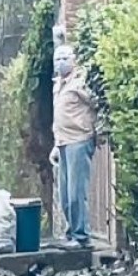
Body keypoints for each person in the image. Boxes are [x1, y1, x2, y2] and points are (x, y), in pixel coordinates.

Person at [50, 44, 97, 250]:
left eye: (64, 58)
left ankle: (81, 236)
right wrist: (55, 145)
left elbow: (96, 104)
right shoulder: (58, 84)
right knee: (65, 195)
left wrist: (93, 128)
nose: (60, 62)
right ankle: (71, 233)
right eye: (57, 59)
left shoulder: (81, 82)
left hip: (79, 139)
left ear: (73, 59)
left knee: (77, 192)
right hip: (62, 142)